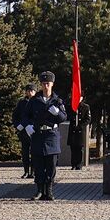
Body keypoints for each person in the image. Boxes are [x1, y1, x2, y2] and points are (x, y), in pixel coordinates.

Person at [23, 71, 68, 202]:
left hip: (51, 135)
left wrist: (58, 112)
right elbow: (25, 116)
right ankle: (39, 190)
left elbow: (64, 117)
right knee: (38, 164)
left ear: (52, 84)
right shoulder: (34, 100)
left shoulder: (57, 100)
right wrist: (27, 126)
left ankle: (49, 191)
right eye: (43, 84)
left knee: (51, 166)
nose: (45, 86)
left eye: (47, 84)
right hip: (38, 134)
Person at [13, 83, 36, 178]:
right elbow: (15, 115)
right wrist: (18, 125)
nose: (30, 93)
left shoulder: (37, 102)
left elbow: (37, 116)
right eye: (28, 91)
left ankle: (33, 172)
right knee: (25, 152)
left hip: (33, 130)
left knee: (34, 152)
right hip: (23, 131)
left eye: (32, 91)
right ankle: (26, 171)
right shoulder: (21, 103)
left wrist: (29, 124)